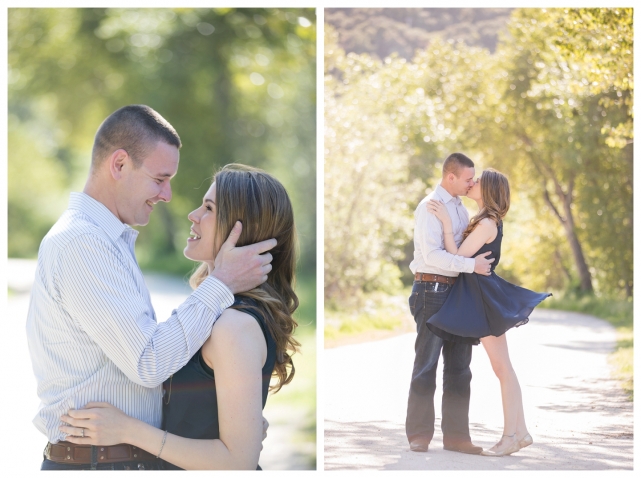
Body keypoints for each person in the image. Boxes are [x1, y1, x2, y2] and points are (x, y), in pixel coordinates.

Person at [27, 105, 275, 471]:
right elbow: (149, 362)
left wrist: (235, 422)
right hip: (97, 464)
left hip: (117, 461)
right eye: (160, 178)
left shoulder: (109, 242)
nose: (168, 194)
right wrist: (221, 282)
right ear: (120, 165)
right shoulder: (82, 244)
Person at [59, 164, 299, 470]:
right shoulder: (216, 312)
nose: (193, 215)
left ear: (241, 228)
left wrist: (127, 430)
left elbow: (239, 461)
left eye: (209, 208)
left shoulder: (234, 326)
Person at [426, 168, 551, 456]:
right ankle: (520, 432)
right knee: (503, 368)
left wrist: (445, 222)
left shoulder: (487, 223)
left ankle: (512, 435)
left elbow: (456, 256)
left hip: (483, 298)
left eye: (478, 181)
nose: (472, 183)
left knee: (502, 368)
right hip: (482, 295)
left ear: (489, 189)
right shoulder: (485, 219)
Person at [406, 153, 495, 455]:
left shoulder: (459, 209)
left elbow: (458, 249)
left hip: (457, 292)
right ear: (451, 177)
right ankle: (418, 435)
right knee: (426, 364)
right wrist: (471, 267)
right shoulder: (430, 206)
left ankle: (457, 437)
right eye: (469, 178)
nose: (473, 183)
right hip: (430, 288)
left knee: (460, 368)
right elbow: (432, 256)